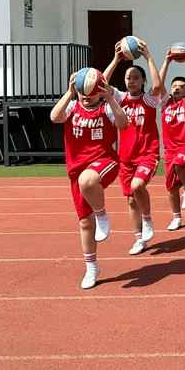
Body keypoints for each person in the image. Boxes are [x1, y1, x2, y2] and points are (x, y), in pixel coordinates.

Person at [50, 73, 129, 289]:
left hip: (105, 161)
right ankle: (92, 267)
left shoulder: (105, 108)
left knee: (88, 180)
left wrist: (110, 98)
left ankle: (102, 214)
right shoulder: (72, 106)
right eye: (83, 91)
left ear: (99, 92)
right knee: (85, 222)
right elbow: (54, 117)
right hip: (76, 168)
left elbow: (123, 124)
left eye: (92, 92)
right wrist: (70, 92)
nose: (87, 96)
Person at [103, 41, 168, 252]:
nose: (131, 81)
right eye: (128, 78)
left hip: (147, 154)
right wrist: (116, 59)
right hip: (126, 157)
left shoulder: (149, 100)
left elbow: (158, 86)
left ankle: (148, 219)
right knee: (131, 201)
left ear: (143, 82)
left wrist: (148, 57)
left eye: (136, 78)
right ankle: (139, 238)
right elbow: (101, 83)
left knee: (137, 186)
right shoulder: (120, 98)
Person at [159, 49, 185, 216]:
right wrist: (167, 61)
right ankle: (176, 217)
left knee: (179, 163)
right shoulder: (165, 103)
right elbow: (158, 84)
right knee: (170, 187)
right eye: (174, 86)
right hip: (169, 150)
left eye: (181, 87)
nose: (177, 88)